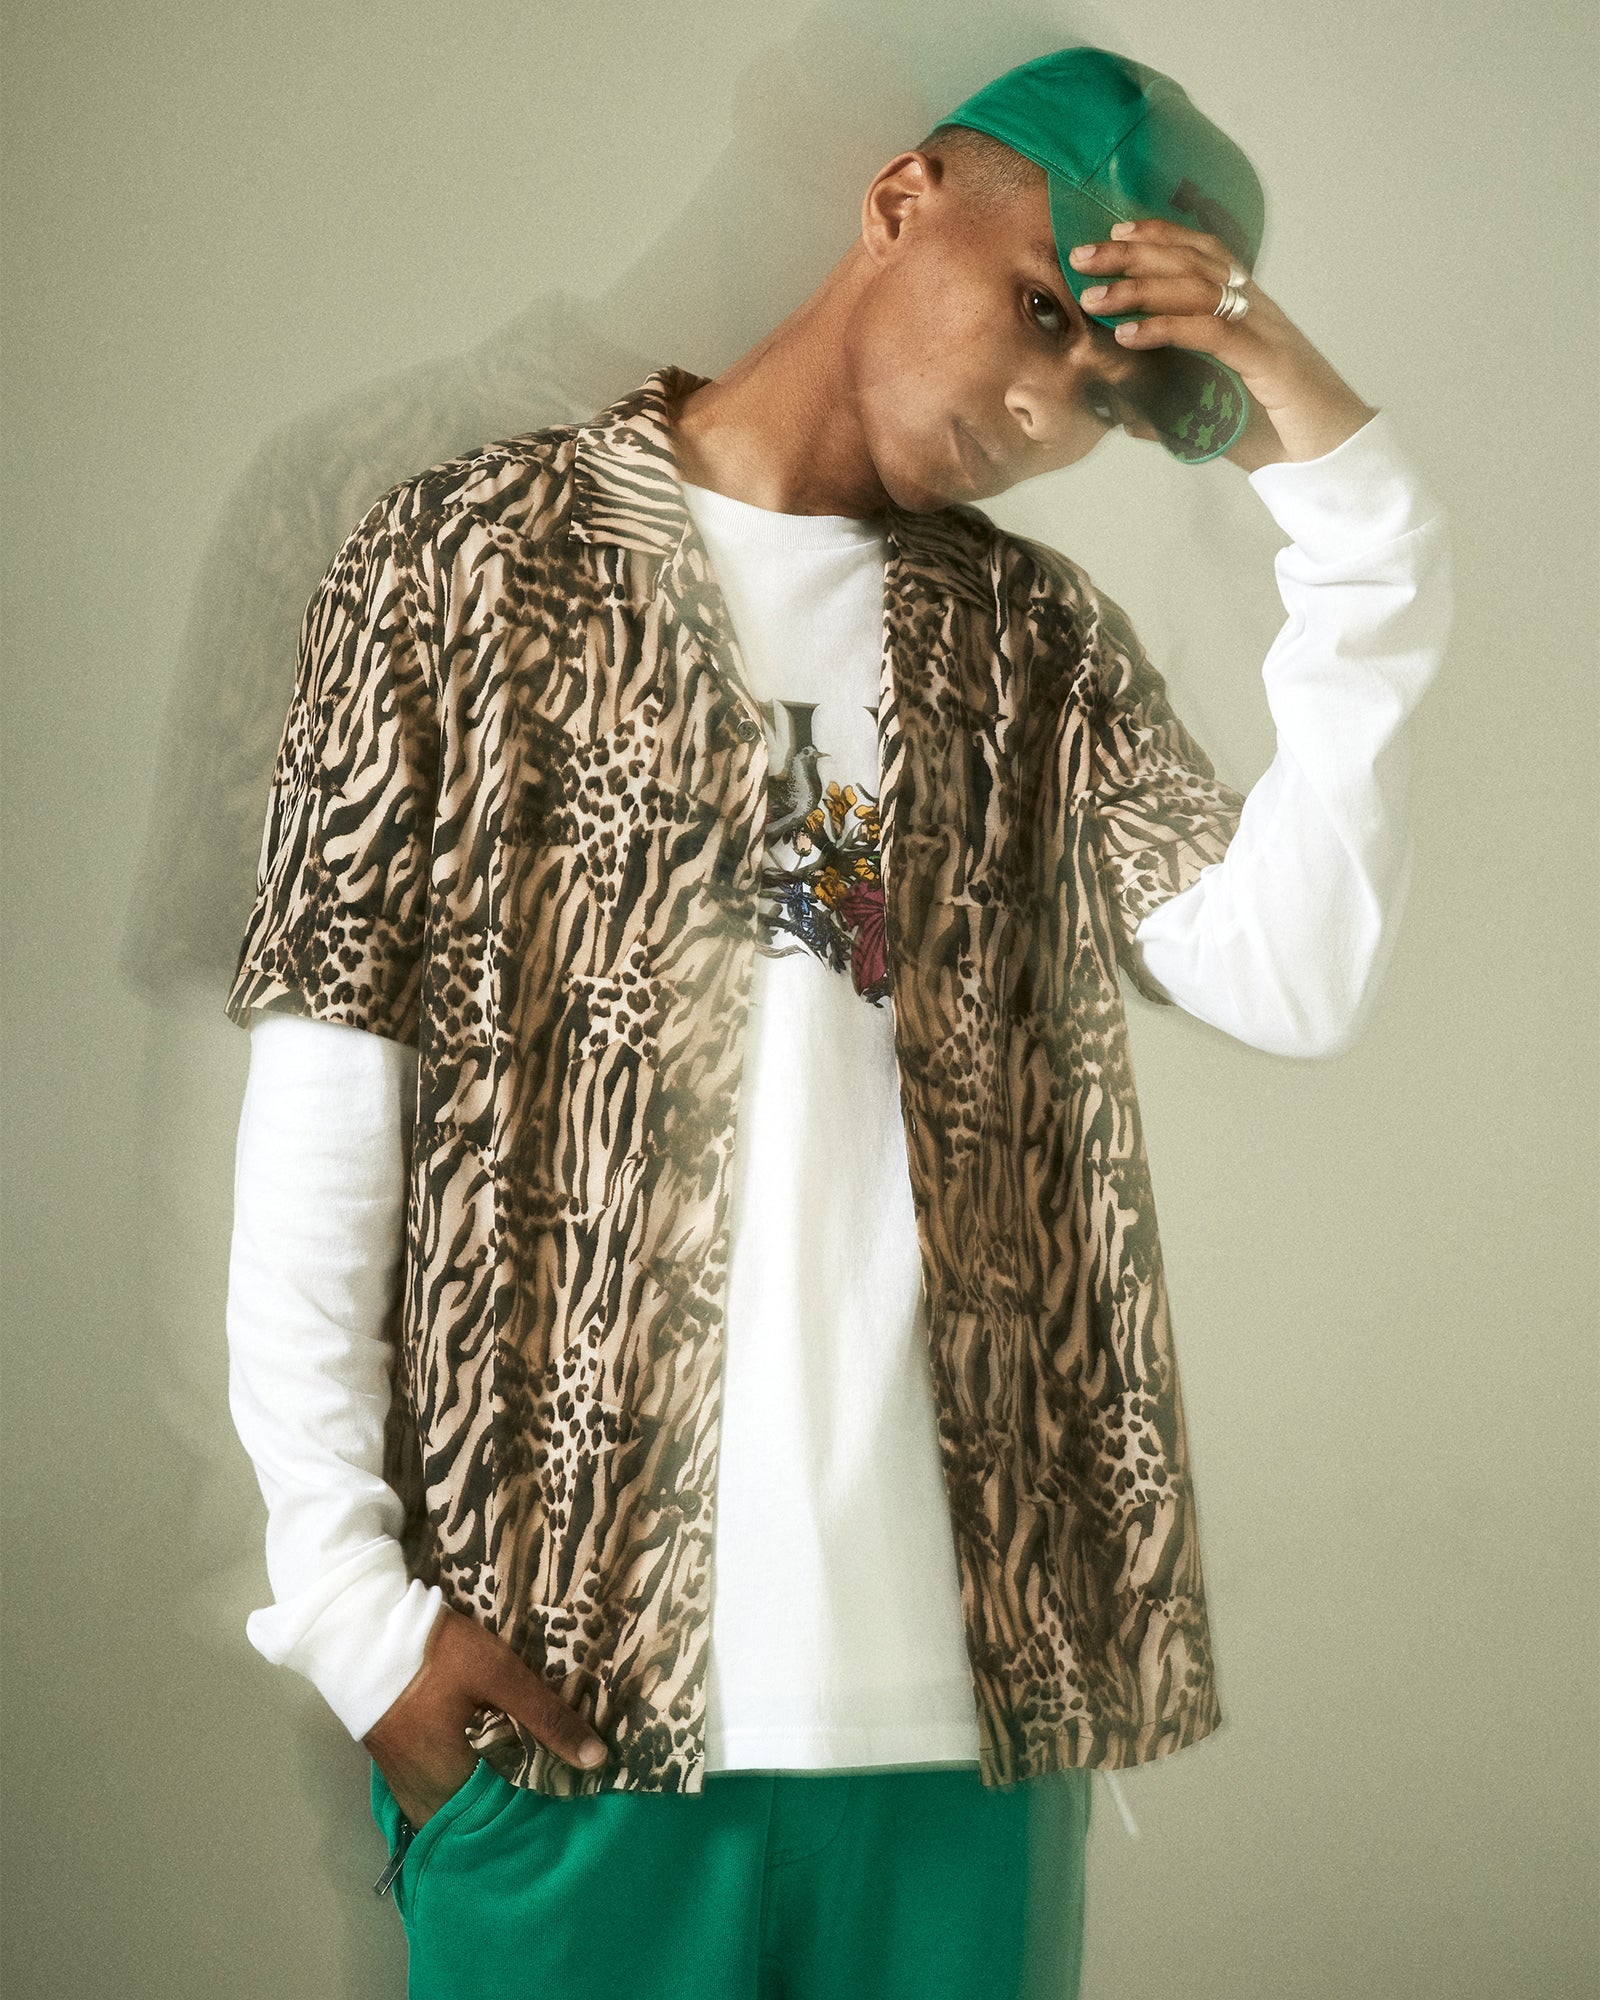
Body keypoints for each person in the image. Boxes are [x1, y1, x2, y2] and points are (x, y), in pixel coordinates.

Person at [222, 44, 1452, 2000]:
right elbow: (326, 1091)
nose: (1049, 401)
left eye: (1107, 390)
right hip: (565, 1689)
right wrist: (346, 1605)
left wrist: (1354, 498)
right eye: (1040, 309)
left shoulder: (1033, 647)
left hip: (962, 1718)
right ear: (897, 203)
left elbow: (1289, 973)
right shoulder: (461, 562)